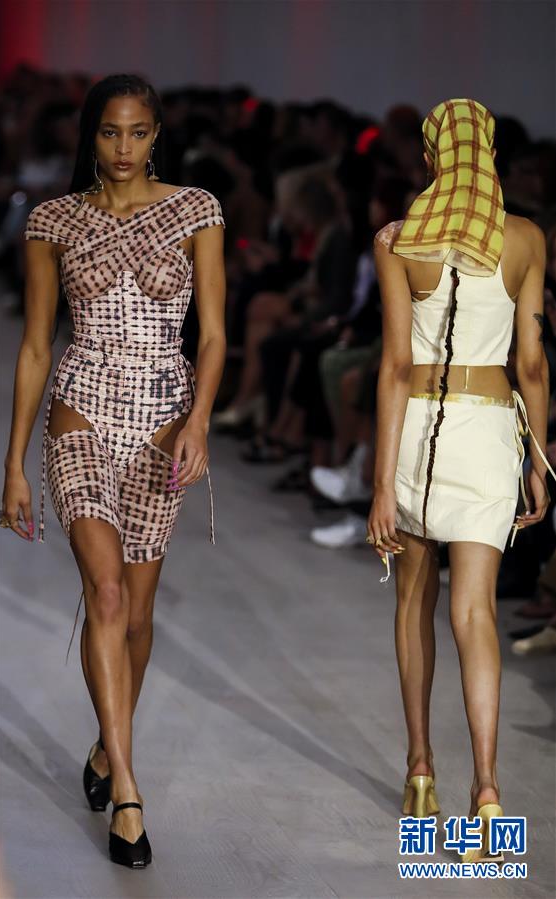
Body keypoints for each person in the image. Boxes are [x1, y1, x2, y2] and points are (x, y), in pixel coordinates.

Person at [0, 74, 226, 868]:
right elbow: (36, 345)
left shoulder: (196, 210)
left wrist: (199, 421)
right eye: (108, 132)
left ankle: (105, 741)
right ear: (89, 136)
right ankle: (127, 789)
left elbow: (213, 334)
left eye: (137, 132)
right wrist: (13, 462)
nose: (123, 147)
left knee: (135, 615)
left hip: (163, 419)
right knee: (105, 591)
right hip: (81, 411)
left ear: (157, 134)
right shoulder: (52, 220)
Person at [365, 99, 556, 862]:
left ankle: (420, 771)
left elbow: (393, 365)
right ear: (491, 155)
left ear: (430, 158)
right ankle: (486, 791)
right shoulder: (524, 238)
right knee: (474, 612)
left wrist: (381, 483)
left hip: (417, 430)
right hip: (485, 432)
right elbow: (531, 364)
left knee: (414, 599)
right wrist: (537, 458)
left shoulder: (397, 239)